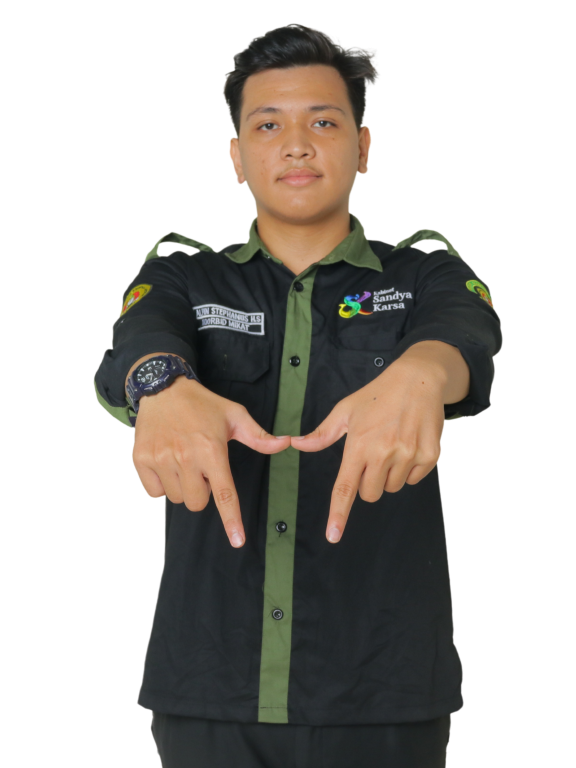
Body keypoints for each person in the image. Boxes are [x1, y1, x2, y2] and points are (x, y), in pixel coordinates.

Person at [93, 22, 502, 768]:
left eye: (323, 122)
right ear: (237, 157)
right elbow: (140, 338)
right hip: (209, 685)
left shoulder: (424, 274)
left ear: (363, 146)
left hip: (385, 686)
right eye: (268, 125)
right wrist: (163, 386)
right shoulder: (184, 276)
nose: (297, 145)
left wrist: (418, 375)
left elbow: (464, 331)